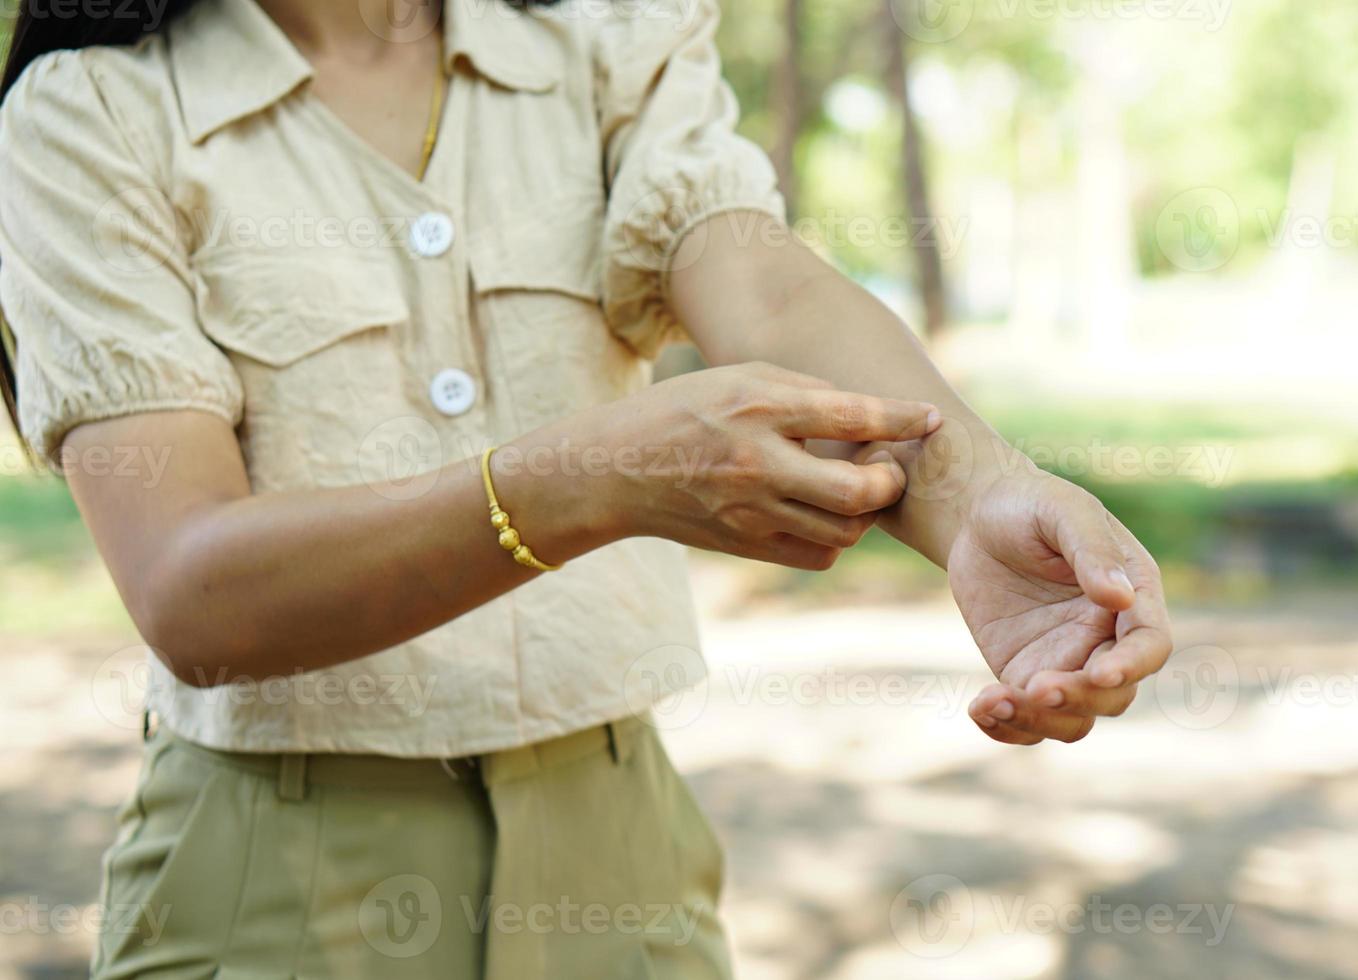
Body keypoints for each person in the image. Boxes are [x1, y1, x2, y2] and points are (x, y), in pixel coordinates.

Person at [0, 0, 1173, 975]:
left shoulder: (606, 35)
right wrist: (596, 477)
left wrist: (984, 497)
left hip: (622, 849)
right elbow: (191, 586)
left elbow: (756, 285)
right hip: (268, 874)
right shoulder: (91, 113)